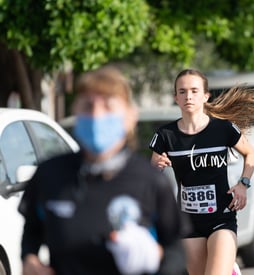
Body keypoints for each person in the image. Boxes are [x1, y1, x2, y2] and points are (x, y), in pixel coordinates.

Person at [18, 66, 188, 275]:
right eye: (88, 106)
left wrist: (157, 257)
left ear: (129, 117)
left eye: (108, 107)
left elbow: (176, 251)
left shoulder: (150, 181)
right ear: (76, 112)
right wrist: (30, 260)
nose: (97, 115)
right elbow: (32, 232)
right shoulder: (49, 173)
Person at [148, 69, 254, 275]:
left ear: (205, 95)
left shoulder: (223, 128)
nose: (188, 96)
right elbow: (152, 168)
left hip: (221, 216)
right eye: (182, 92)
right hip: (188, 220)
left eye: (194, 90)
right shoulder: (165, 135)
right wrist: (157, 163)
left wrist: (243, 184)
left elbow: (251, 154)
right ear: (175, 97)